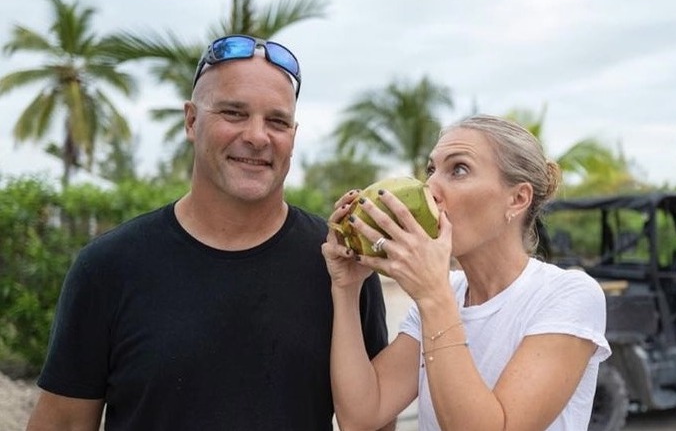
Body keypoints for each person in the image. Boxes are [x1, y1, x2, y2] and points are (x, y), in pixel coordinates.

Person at [26, 34, 390, 430]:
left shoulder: (341, 267)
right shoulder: (109, 268)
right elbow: (61, 424)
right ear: (191, 121)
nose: (256, 135)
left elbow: (374, 423)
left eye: (277, 121)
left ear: (293, 137)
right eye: (233, 113)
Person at [323, 114, 611, 430]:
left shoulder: (568, 295)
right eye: (431, 170)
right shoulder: (446, 292)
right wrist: (347, 289)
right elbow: (361, 415)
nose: (428, 188)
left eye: (458, 169)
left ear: (517, 198)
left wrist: (433, 298)